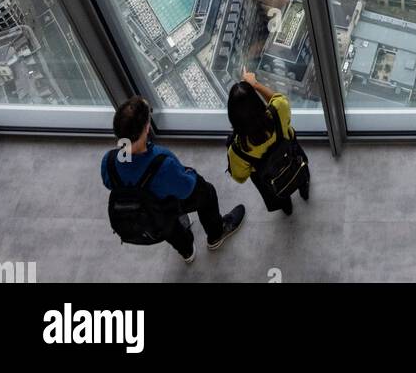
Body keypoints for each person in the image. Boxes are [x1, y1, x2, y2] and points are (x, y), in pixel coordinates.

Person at [102, 96, 245, 263]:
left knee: (169, 227)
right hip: (166, 204)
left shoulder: (109, 161)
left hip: (148, 214)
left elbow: (109, 183)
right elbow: (186, 189)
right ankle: (216, 235)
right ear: (147, 128)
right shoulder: (161, 162)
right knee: (207, 192)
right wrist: (190, 173)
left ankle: (187, 252)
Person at [226, 70, 310, 215]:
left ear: (233, 117)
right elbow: (278, 98)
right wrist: (255, 84)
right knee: (300, 173)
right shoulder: (277, 112)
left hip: (268, 178)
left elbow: (240, 177)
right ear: (257, 102)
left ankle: (287, 208)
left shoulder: (238, 150)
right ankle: (304, 190)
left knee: (278, 193)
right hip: (291, 156)